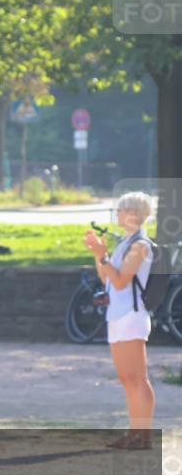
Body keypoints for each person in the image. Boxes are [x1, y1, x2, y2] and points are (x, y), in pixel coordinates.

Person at [83, 192, 155, 450]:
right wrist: (97, 253)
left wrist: (104, 256)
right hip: (116, 314)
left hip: (131, 316)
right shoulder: (126, 242)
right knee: (126, 378)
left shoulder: (140, 245)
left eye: (121, 210)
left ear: (133, 213)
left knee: (138, 378)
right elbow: (107, 279)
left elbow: (122, 280)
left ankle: (143, 435)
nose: (117, 214)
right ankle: (134, 432)